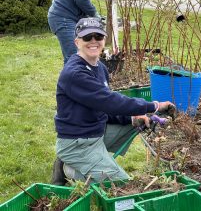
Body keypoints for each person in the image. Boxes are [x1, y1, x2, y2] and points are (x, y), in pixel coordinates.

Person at [51, 17, 176, 185]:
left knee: (136, 122)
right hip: (78, 142)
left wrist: (132, 118)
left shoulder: (100, 68)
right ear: (77, 42)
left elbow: (104, 107)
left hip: (94, 133)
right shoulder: (75, 73)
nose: (93, 41)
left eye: (98, 36)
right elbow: (111, 101)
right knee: (121, 184)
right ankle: (70, 169)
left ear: (104, 39)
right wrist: (154, 106)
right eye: (87, 37)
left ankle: (82, 164)